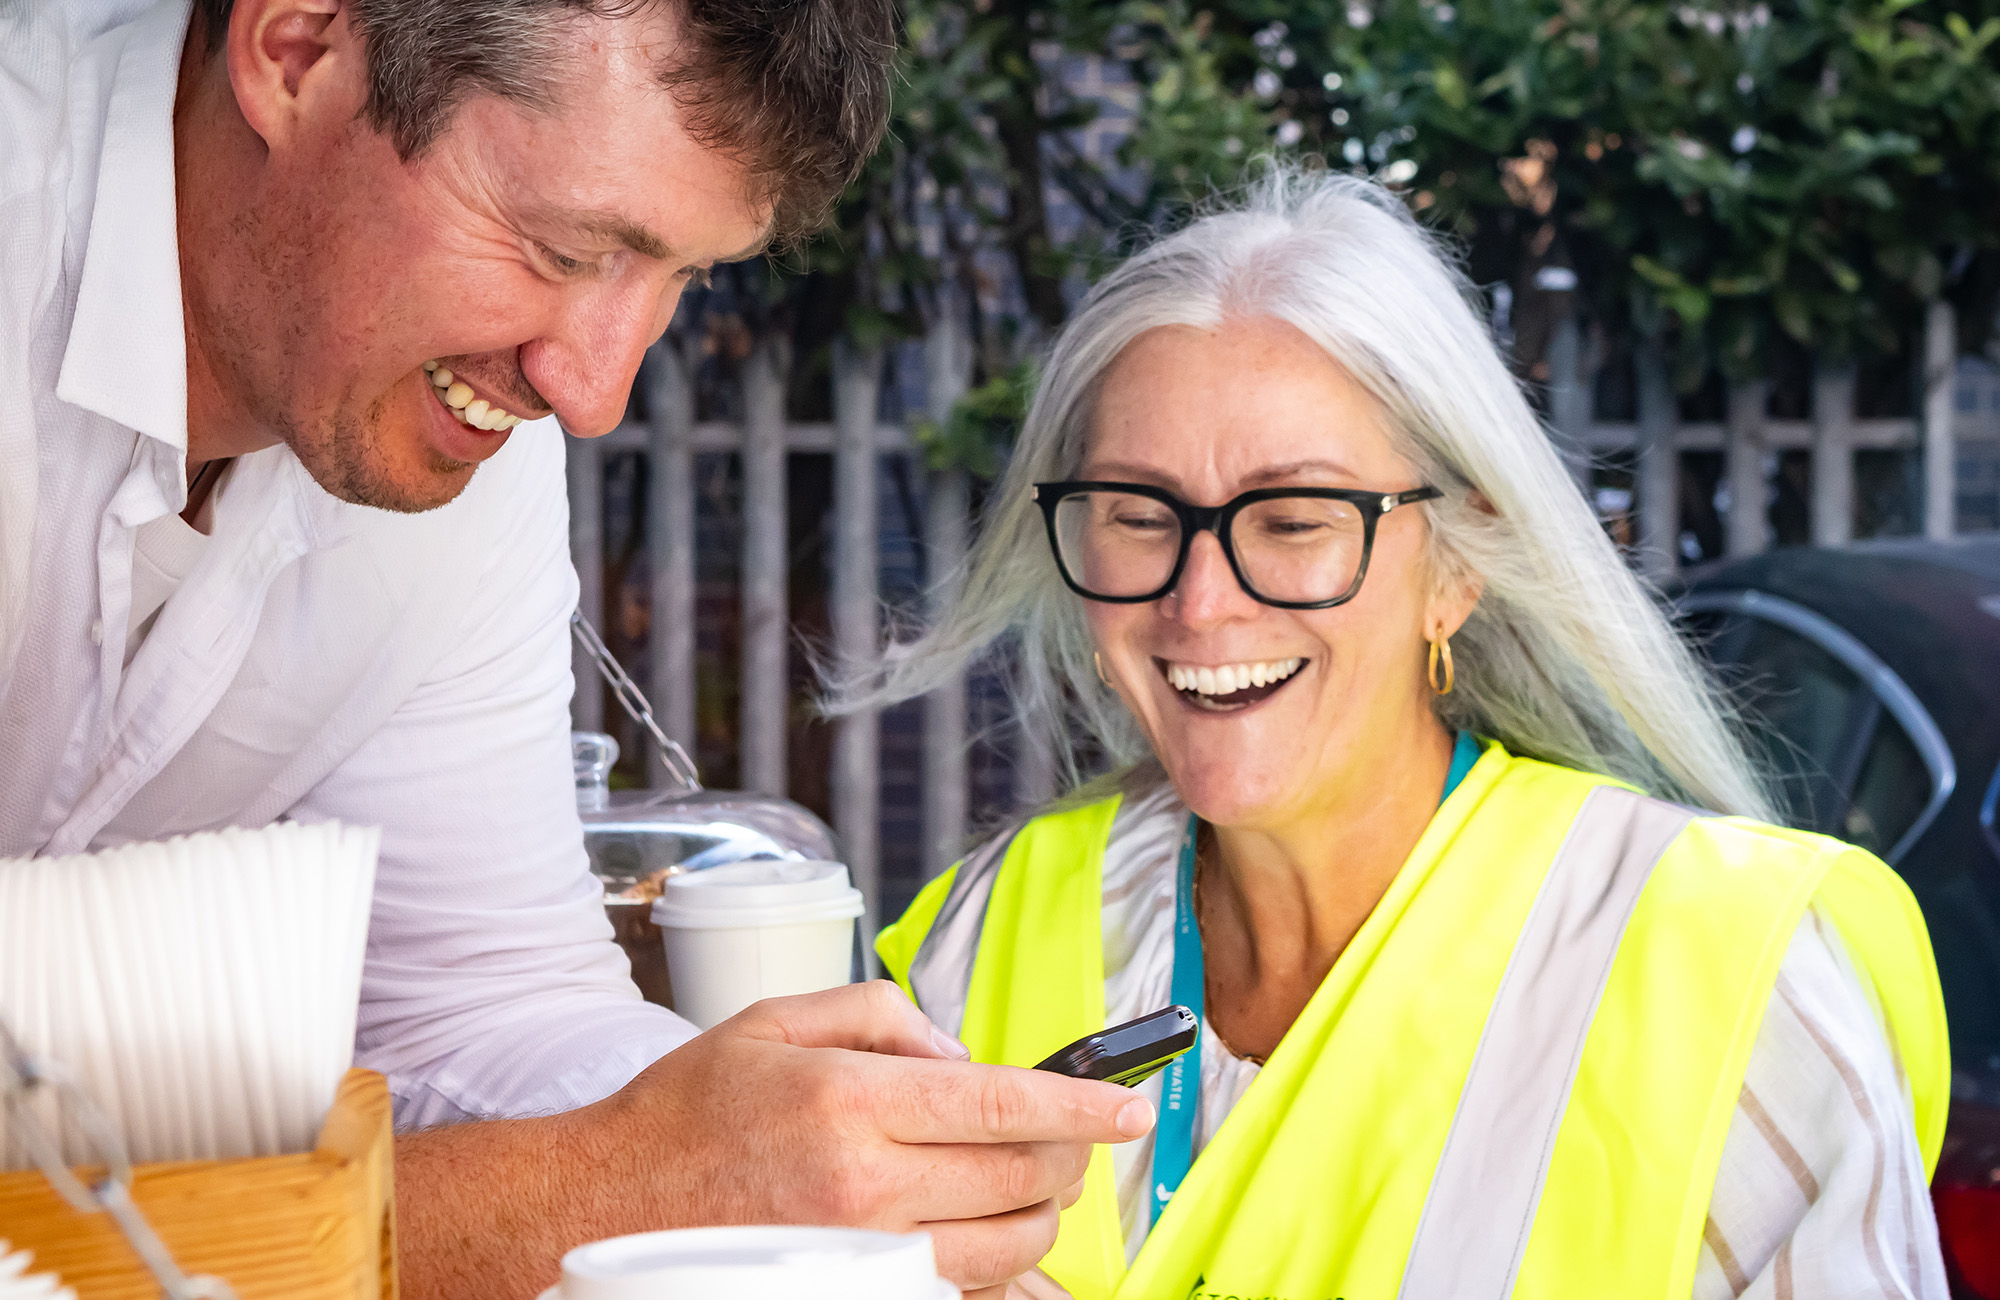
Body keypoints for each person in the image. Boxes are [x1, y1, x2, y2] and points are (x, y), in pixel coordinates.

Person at [0, 2, 1152, 1297]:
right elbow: (592, 1166)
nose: (593, 395)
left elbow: (475, 1007)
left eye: (684, 279)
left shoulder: (447, 423)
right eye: (563, 248)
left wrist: (808, 1186)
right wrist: (617, 1183)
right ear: (297, 46)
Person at [857, 169, 1953, 1299]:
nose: (1200, 602)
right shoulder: (984, 931)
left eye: (1294, 520)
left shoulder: (1730, 974)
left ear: (1455, 567)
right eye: (1139, 516)